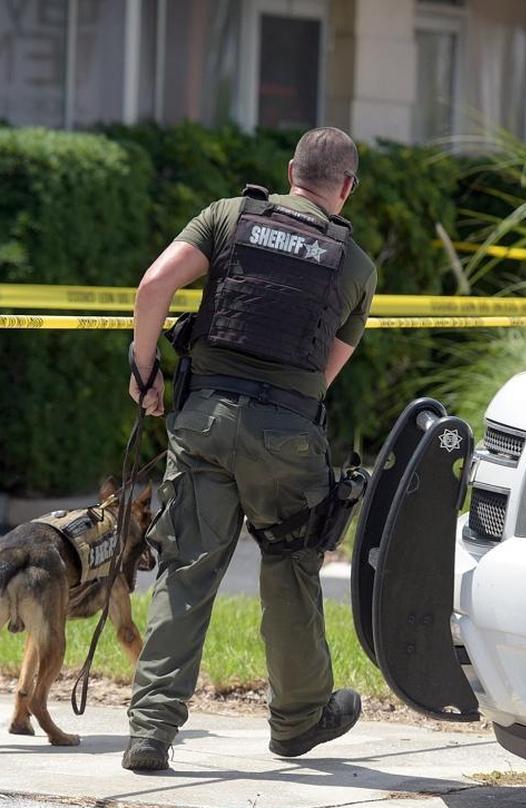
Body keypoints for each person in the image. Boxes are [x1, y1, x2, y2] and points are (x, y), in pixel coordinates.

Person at [121, 127, 377, 771]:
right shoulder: (355, 266)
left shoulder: (228, 217)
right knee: (290, 567)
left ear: (292, 170)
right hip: (287, 436)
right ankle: (297, 721)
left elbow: (154, 287)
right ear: (346, 188)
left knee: (186, 569)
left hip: (204, 419)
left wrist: (143, 369)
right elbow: (320, 377)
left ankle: (151, 731)